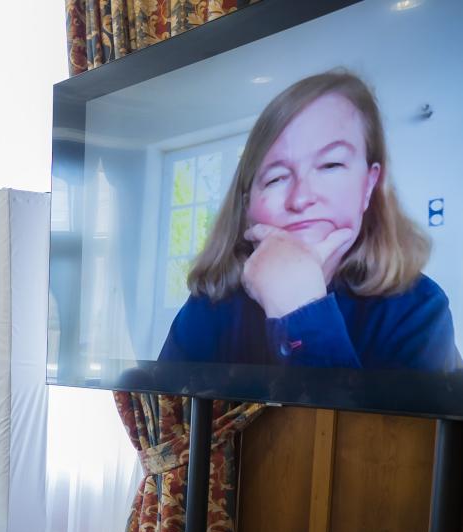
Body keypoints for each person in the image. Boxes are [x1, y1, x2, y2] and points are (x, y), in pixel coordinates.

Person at [159, 70, 460, 371]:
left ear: (369, 185)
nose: (301, 198)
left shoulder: (421, 309)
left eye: (330, 165)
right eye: (276, 178)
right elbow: (170, 416)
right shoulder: (211, 304)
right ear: (248, 204)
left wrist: (302, 312)